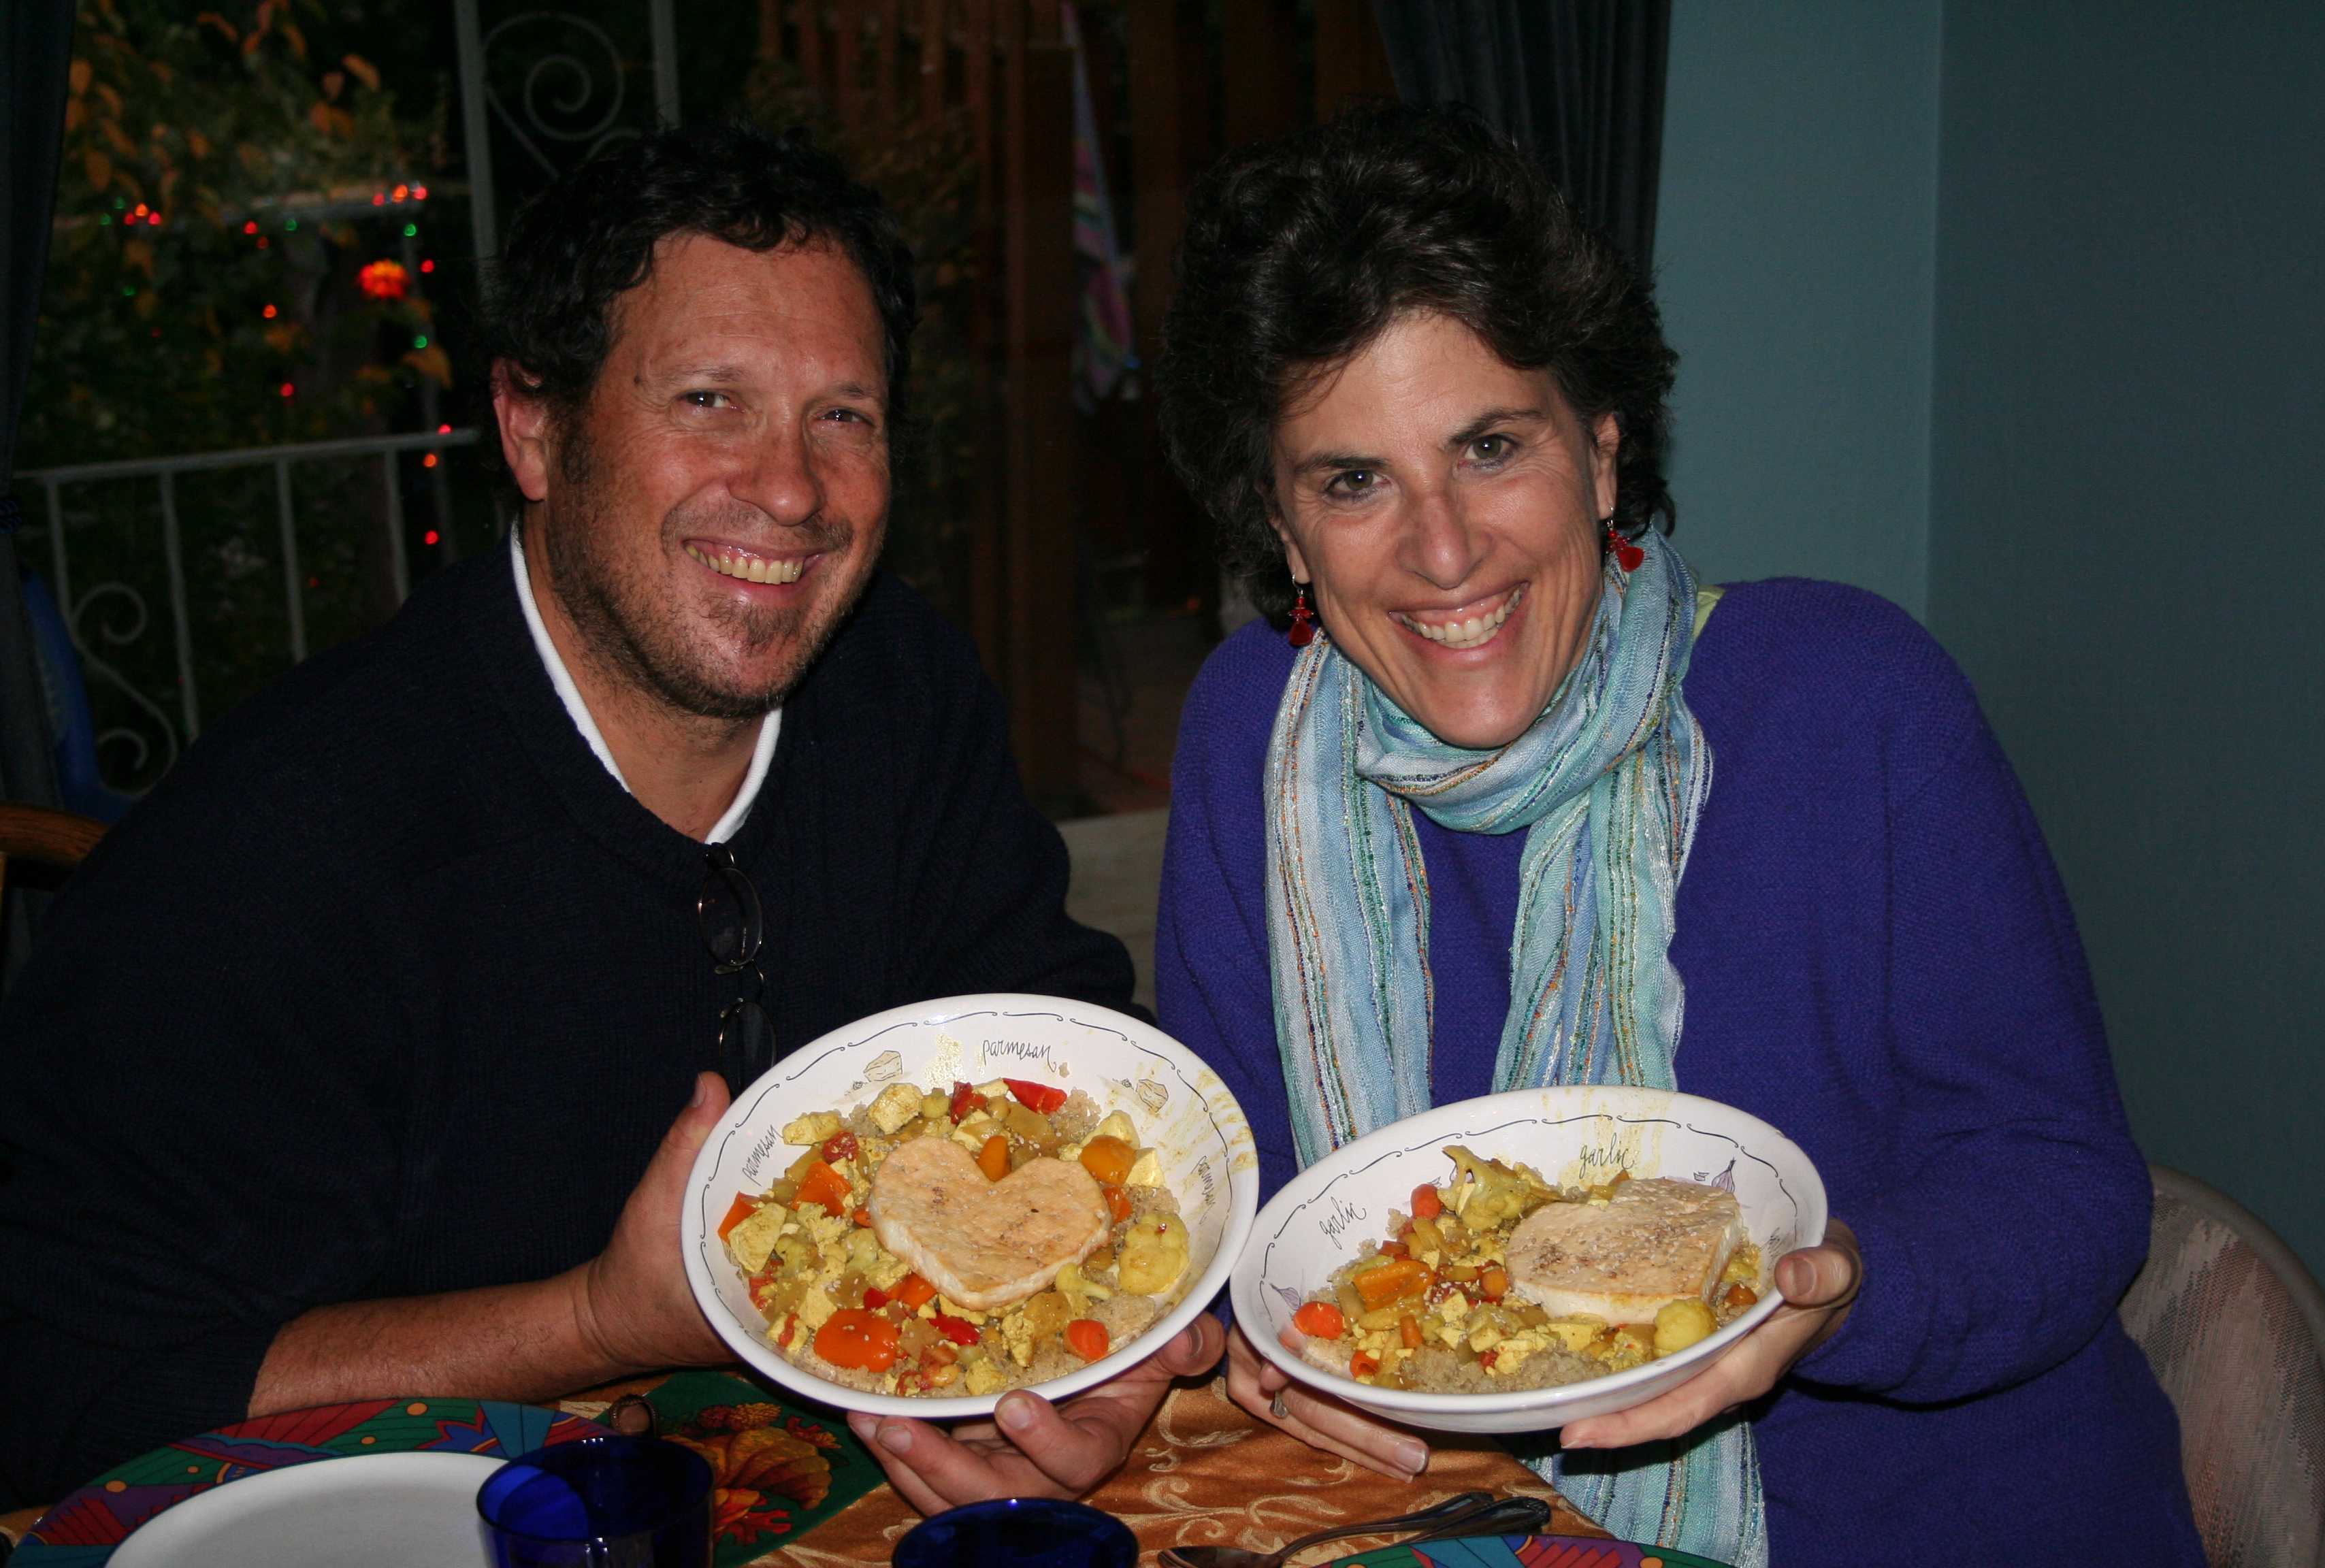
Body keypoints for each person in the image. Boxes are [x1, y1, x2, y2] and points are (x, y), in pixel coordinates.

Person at [0, 122, 1218, 1511]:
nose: (790, 488)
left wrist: (1099, 1352)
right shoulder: (278, 852)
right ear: (535, 429)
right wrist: (594, 1319)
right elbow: (55, 1387)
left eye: (844, 415)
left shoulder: (906, 694)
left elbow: (1064, 1047)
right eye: (708, 399)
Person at [1150, 107, 2205, 1568]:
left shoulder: (1851, 699)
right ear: (1281, 525)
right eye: (1353, 480)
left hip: (1927, 1519)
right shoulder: (1247, 735)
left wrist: (1846, 1290)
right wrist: (1262, 1335)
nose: (1442, 550)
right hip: (1458, 1524)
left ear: (1600, 450)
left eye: (1490, 446)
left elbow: (2067, 1187)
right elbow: (1245, 1183)